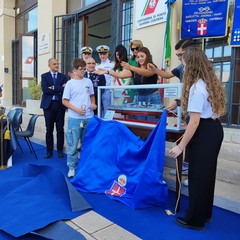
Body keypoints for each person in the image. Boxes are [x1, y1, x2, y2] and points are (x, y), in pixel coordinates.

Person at [169, 47, 226, 230]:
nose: (183, 68)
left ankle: (195, 219)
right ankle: (205, 214)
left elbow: (194, 123)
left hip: (204, 131)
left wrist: (180, 147)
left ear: (191, 65)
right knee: (207, 176)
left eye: (184, 63)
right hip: (214, 129)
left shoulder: (196, 88)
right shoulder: (209, 82)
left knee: (197, 177)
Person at [96, 47, 161, 121]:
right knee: (141, 125)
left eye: (142, 56)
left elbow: (146, 73)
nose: (140, 59)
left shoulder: (152, 67)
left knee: (153, 124)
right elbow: (120, 75)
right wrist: (107, 72)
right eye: (138, 57)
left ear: (148, 57)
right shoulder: (135, 69)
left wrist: (130, 67)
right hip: (140, 98)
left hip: (152, 98)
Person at [62, 58, 97, 178]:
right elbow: (64, 101)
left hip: (88, 117)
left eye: (84, 69)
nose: (83, 71)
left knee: (87, 143)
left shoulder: (88, 81)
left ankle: (86, 166)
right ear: (74, 70)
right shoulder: (70, 84)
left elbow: (92, 96)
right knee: (73, 144)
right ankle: (72, 167)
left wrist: (93, 104)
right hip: (75, 118)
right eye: (81, 69)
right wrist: (76, 109)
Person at [40, 58, 68, 159]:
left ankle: (60, 150)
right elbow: (45, 90)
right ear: (49, 65)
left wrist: (52, 87)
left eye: (57, 63)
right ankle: (49, 151)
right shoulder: (44, 76)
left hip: (60, 105)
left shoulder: (64, 77)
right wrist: (58, 88)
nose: (57, 65)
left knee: (60, 129)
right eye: (54, 64)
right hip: (48, 106)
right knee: (49, 129)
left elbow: (64, 90)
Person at [95, 45, 114, 117]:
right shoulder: (96, 66)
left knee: (107, 111)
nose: (102, 56)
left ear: (108, 53)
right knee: (99, 111)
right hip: (99, 91)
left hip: (107, 90)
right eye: (100, 54)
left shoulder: (112, 65)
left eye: (104, 54)